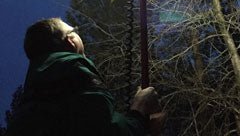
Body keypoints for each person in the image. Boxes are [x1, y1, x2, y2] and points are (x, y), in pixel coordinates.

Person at [6, 17, 165, 136]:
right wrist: (140, 109)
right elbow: (104, 131)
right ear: (71, 40)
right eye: (74, 31)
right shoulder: (73, 69)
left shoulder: (35, 88)